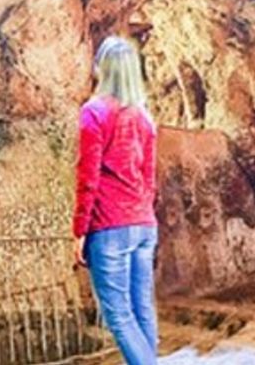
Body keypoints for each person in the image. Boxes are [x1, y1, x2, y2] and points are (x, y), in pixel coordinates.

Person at [72, 35, 159, 365]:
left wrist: (80, 230)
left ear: (100, 69)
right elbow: (148, 179)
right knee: (142, 310)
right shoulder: (144, 118)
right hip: (144, 224)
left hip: (109, 225)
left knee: (120, 317)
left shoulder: (94, 113)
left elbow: (88, 176)